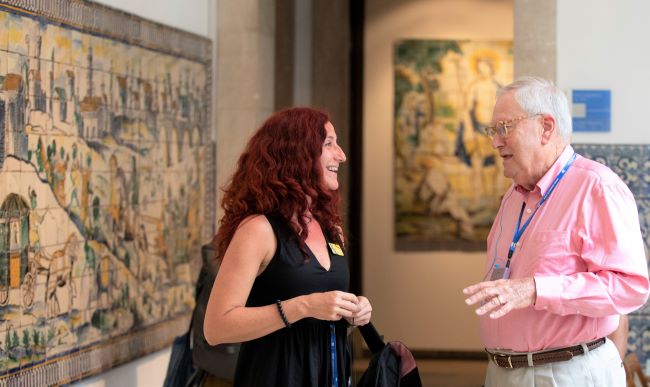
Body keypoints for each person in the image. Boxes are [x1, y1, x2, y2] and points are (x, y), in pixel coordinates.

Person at [462, 76, 649, 387]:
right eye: (493, 131)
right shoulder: (512, 197)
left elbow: (630, 287)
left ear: (546, 128)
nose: (495, 141)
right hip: (503, 371)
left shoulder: (596, 187)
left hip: (565, 372)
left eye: (505, 127)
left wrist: (536, 289)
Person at [203, 107, 372, 387]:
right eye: (329, 144)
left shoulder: (331, 227)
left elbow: (325, 308)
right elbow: (217, 327)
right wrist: (303, 306)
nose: (341, 154)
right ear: (297, 155)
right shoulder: (258, 230)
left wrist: (355, 310)